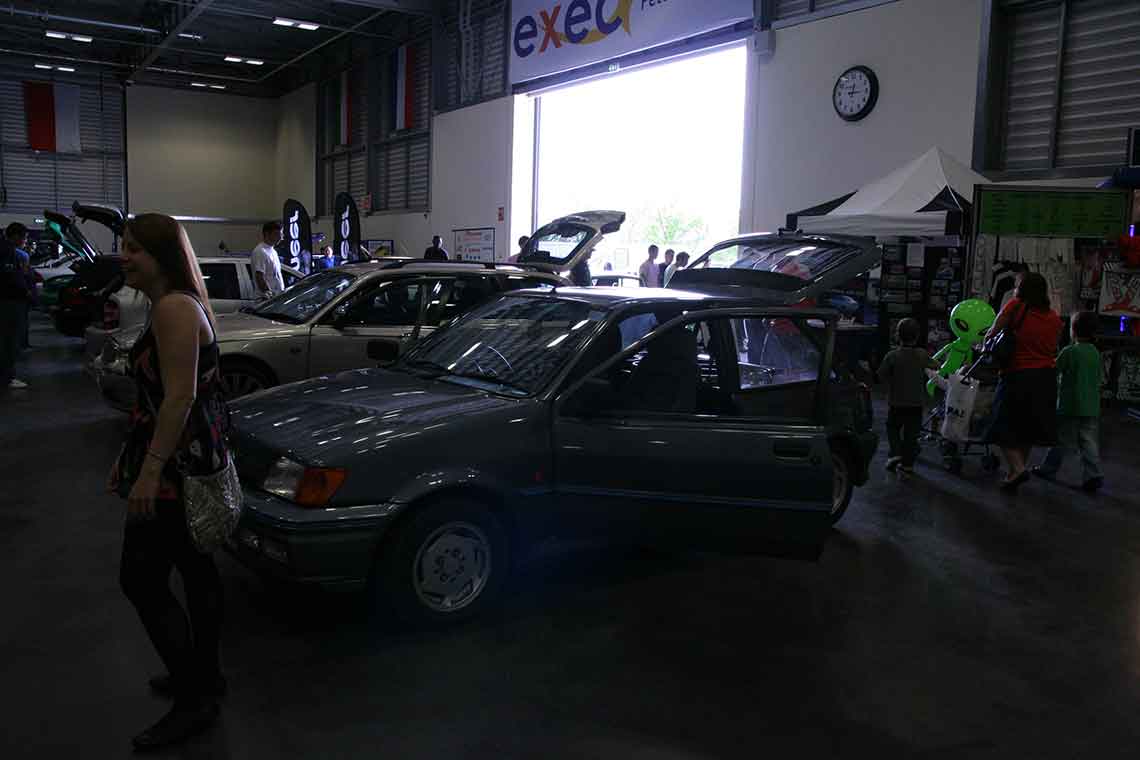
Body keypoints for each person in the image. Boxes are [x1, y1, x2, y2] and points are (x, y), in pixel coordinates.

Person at [106, 214, 231, 750]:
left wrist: (149, 471)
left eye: (135, 248)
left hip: (175, 472)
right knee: (196, 572)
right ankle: (206, 677)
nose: (124, 256)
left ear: (161, 257)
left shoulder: (174, 308)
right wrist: (130, 457)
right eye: (124, 246)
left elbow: (180, 397)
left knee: (140, 580)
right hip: (184, 459)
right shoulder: (179, 302)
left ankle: (195, 698)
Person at [983, 271, 1063, 492]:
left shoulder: (1015, 307)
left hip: (1017, 375)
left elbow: (992, 334)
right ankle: (1014, 474)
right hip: (1045, 379)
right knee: (1027, 430)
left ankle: (1017, 469)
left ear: (1022, 289)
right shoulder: (1054, 319)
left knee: (1000, 426)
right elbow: (1052, 348)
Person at [1032, 311, 1103, 492]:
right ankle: (1094, 475)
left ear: (1073, 331)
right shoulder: (1095, 353)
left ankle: (1048, 469)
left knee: (1060, 441)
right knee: (1088, 442)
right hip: (1091, 407)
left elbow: (1052, 371)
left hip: (1070, 405)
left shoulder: (1069, 352)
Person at [878, 318, 936, 474]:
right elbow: (935, 366)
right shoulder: (921, 354)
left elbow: (881, 375)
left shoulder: (892, 356)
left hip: (896, 401)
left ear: (898, 335)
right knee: (911, 434)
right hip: (916, 403)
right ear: (917, 336)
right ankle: (907, 464)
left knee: (892, 427)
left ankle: (895, 452)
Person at [1, 222, 32, 390]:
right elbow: (12, 277)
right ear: (15, 236)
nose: (25, 241)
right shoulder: (7, 252)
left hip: (8, 300)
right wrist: (25, 291)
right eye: (24, 238)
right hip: (10, 302)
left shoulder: (7, 250)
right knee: (10, 340)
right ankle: (7, 377)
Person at [250, 221, 284, 299]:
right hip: (266, 299)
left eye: (281, 234)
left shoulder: (273, 251)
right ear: (267, 234)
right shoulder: (260, 251)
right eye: (277, 234)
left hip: (277, 297)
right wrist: (269, 295)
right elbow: (259, 276)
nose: (280, 237)